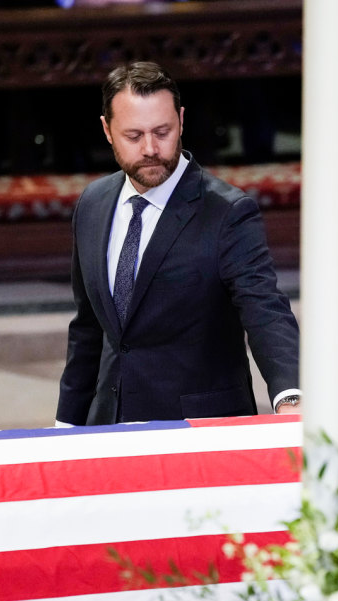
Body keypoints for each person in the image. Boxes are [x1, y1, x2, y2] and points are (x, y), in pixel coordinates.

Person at [56, 61, 301, 425]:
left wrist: (290, 395)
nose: (151, 148)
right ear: (107, 130)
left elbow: (264, 307)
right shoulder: (93, 203)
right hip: (107, 425)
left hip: (199, 431)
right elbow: (89, 326)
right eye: (134, 136)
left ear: (181, 121)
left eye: (162, 132)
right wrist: (67, 424)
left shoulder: (228, 212)